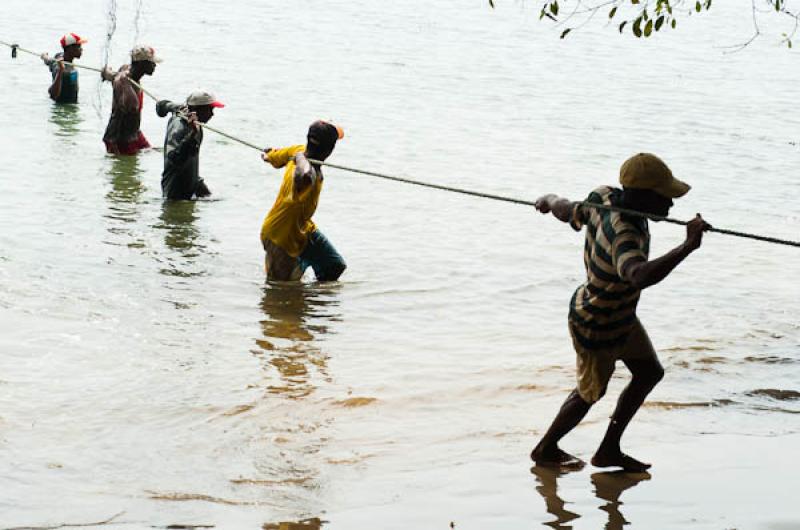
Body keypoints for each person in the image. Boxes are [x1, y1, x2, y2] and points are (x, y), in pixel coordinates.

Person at [530, 152, 711, 472]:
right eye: (665, 197)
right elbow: (638, 274)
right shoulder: (626, 232)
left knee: (649, 372)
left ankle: (609, 450)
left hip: (620, 314)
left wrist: (548, 198)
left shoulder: (603, 197)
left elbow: (567, 209)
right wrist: (687, 247)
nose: (670, 206)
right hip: (598, 320)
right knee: (589, 394)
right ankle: (545, 449)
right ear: (642, 196)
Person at [260, 120, 346, 282]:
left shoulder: (298, 151)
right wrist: (300, 158)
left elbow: (273, 156)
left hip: (303, 228)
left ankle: (312, 299)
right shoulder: (306, 169)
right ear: (330, 149)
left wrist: (268, 155)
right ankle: (297, 298)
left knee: (334, 266)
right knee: (280, 291)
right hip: (281, 236)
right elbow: (303, 176)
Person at [156, 90, 224, 200]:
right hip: (175, 192)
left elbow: (163, 106)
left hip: (191, 181)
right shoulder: (179, 127)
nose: (212, 114)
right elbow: (174, 158)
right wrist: (192, 135)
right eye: (209, 109)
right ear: (197, 110)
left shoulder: (193, 122)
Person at [101, 45, 161, 155]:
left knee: (156, 153)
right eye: (151, 63)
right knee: (128, 170)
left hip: (134, 133)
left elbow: (111, 75)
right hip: (120, 139)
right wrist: (124, 82)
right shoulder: (122, 82)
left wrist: (107, 72)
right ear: (141, 64)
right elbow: (133, 106)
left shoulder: (126, 71)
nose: (155, 65)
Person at [40, 33, 87, 104]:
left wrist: (44, 56)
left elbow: (49, 61)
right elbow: (52, 94)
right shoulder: (63, 70)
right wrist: (60, 71)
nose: (81, 49)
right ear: (70, 49)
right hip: (64, 110)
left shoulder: (59, 56)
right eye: (79, 46)